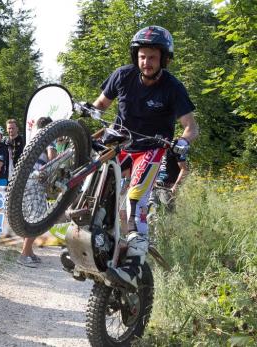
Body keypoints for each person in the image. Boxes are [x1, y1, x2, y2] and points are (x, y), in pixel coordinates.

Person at [90, 26, 198, 289]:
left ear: (163, 59)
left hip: (151, 149)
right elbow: (100, 105)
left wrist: (183, 141)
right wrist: (86, 113)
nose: (145, 62)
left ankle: (134, 265)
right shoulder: (123, 76)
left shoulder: (172, 87)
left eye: (151, 57)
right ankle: (96, 242)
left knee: (136, 198)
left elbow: (191, 126)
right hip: (120, 145)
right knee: (94, 185)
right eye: (141, 56)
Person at [17, 117, 55, 268]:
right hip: (36, 181)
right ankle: (24, 254)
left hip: (25, 180)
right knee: (37, 217)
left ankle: (29, 251)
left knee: (29, 216)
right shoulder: (47, 138)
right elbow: (52, 158)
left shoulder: (32, 140)